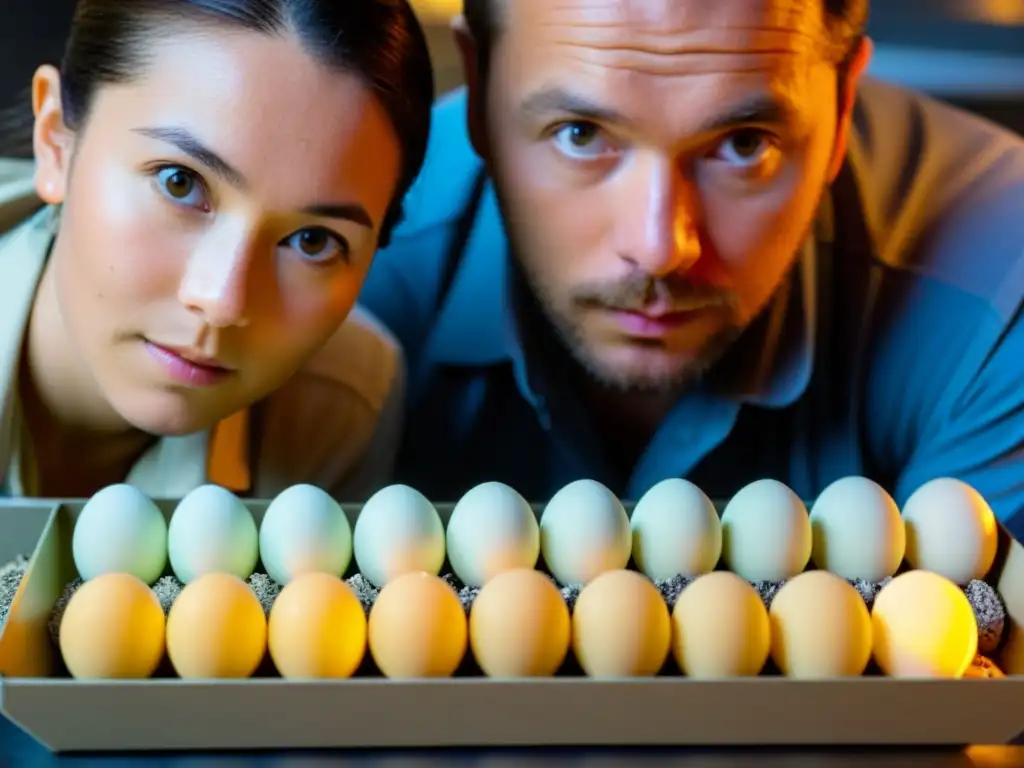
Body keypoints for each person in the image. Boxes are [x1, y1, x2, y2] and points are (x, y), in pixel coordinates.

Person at [359, 0, 1024, 540]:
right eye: (581, 133)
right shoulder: (338, 270)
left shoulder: (1001, 284)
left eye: (742, 145)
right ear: (477, 91)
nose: (659, 248)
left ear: (843, 103)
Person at [0, 0, 434, 500]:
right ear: (55, 140)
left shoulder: (338, 405)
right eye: (180, 183)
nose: (223, 302)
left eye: (312, 241)